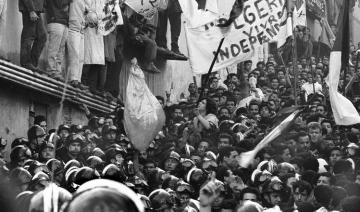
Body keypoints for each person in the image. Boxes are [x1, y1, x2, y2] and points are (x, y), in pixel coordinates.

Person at [44, 0, 71, 80]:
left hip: (64, 22)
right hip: (55, 20)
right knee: (54, 48)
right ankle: (51, 70)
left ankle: (58, 72)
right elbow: (60, 3)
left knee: (61, 50)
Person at [19, 0, 47, 71]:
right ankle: (26, 63)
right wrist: (31, 10)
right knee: (28, 36)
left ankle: (32, 63)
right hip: (30, 9)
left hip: (36, 9)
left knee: (42, 37)